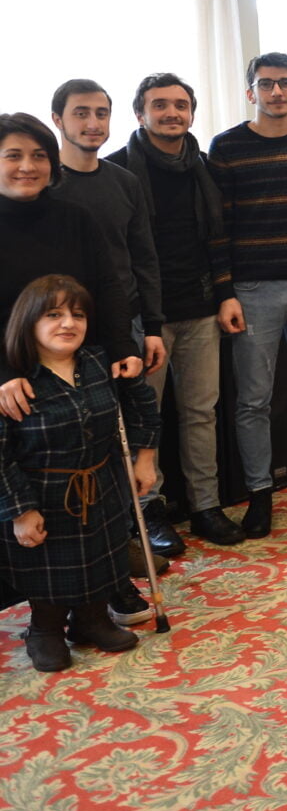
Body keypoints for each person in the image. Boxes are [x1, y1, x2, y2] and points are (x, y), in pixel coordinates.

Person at [50, 78, 172, 626]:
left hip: (122, 329)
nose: (93, 123)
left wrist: (152, 327)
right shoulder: (45, 184)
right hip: (61, 332)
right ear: (58, 120)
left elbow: (143, 257)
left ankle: (122, 551)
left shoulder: (124, 181)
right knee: (81, 451)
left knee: (125, 442)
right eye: (81, 113)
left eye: (101, 113)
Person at [109, 74, 242, 553]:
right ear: (140, 113)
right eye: (160, 104)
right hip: (144, 318)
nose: (172, 113)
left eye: (180, 105)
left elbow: (218, 238)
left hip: (201, 308)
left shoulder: (203, 167)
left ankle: (206, 506)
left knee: (201, 413)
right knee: (145, 419)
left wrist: (225, 294)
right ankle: (150, 510)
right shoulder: (117, 170)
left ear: (191, 113)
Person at [0, 275, 159, 672]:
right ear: (28, 321)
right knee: (49, 565)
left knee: (101, 553)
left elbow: (142, 403)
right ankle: (45, 630)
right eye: (53, 315)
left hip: (101, 481)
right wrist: (21, 511)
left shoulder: (98, 362)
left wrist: (145, 459)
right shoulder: (15, 382)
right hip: (41, 492)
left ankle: (91, 620)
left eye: (78, 314)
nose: (68, 323)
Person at [209, 52, 287, 539]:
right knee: (253, 400)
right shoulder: (226, 147)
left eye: (285, 83)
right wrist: (225, 291)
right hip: (253, 289)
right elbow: (217, 227)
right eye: (266, 84)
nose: (276, 91)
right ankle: (260, 494)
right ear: (250, 92)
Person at [0, 113, 140, 418]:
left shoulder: (76, 218)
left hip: (81, 369)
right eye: (13, 156)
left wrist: (122, 345)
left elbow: (107, 286)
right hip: (12, 380)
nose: (28, 166)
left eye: (39, 156)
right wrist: (4, 373)